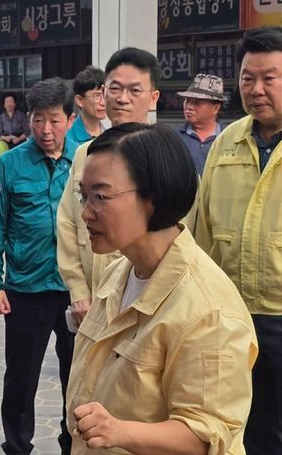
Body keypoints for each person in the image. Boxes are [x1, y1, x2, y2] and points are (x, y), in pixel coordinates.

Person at [64, 123, 256, 455]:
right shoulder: (121, 271)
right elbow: (111, 388)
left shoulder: (206, 309)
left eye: (101, 197)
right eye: (84, 196)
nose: (86, 213)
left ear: (153, 198)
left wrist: (117, 433)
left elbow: (203, 436)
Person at [0, 78, 81, 455]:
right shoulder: (9, 166)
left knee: (78, 375)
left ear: (70, 119)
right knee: (22, 370)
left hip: (75, 289)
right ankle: (17, 447)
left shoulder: (85, 161)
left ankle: (73, 449)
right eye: (38, 120)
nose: (46, 129)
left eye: (54, 119)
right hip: (24, 287)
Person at [195, 27, 282, 455]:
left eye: (269, 77)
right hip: (240, 318)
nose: (257, 88)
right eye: (248, 77)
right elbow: (202, 227)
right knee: (259, 432)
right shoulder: (227, 143)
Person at [57, 47, 161, 331]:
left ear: (153, 98)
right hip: (93, 300)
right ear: (103, 93)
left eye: (134, 90)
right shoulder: (84, 154)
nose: (122, 99)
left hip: (149, 302)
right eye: (115, 89)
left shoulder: (166, 158)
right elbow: (67, 221)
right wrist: (78, 290)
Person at [176, 73, 226, 175]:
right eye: (187, 101)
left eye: (197, 103)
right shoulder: (174, 138)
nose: (189, 107)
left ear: (215, 108)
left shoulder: (229, 137)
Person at [68, 66, 107, 144]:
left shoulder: (110, 135)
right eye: (97, 96)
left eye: (105, 95)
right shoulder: (67, 137)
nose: (103, 103)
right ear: (79, 100)